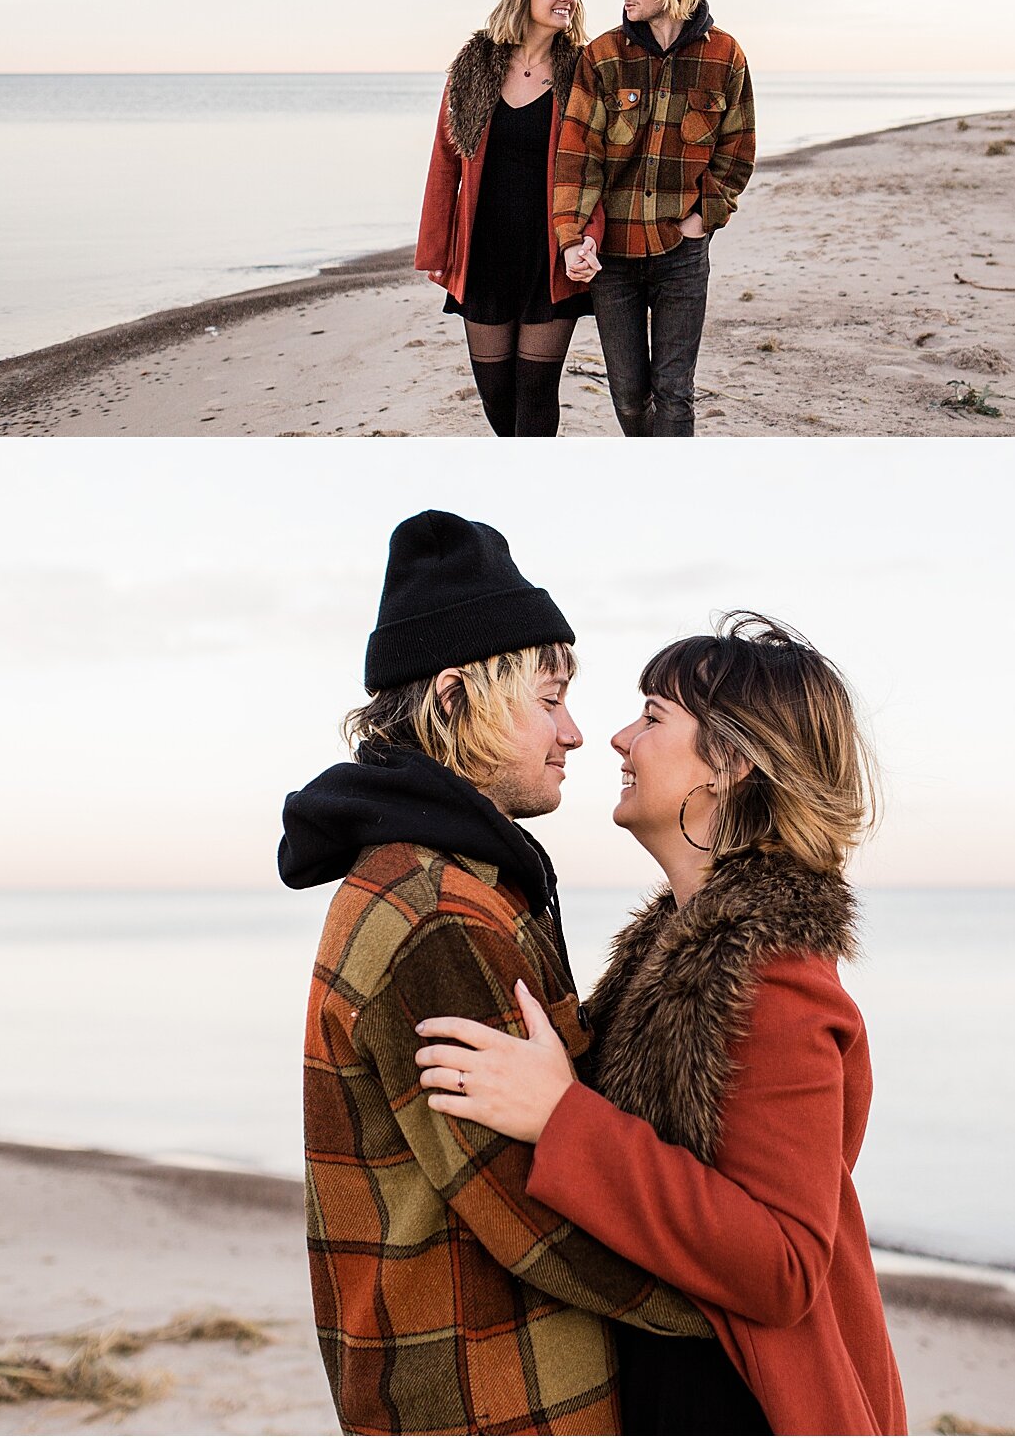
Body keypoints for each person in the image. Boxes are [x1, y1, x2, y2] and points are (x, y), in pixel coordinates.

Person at [415, 615, 908, 1438]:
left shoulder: (774, 975)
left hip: (748, 1408)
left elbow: (783, 1265)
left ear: (732, 761)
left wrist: (562, 1116)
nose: (616, 737)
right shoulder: (677, 953)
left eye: (651, 716)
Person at [278, 510, 711, 1436]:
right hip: (494, 1400)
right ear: (451, 698)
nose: (578, 732)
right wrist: (735, 1306)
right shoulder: (434, 911)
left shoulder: (461, 879)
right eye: (549, 698)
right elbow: (531, 1209)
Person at [553, 0, 755, 437]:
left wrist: (702, 219)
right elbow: (578, 157)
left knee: (675, 393)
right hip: (613, 256)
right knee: (627, 395)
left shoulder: (726, 56)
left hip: (682, 254)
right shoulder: (601, 56)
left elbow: (736, 152)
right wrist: (572, 238)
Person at [417, 0, 606, 438]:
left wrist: (589, 239)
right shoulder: (474, 66)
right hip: (484, 255)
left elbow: (597, 168)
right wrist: (438, 249)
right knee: (496, 396)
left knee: (537, 395)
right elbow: (445, 159)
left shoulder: (582, 70)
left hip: (550, 253)